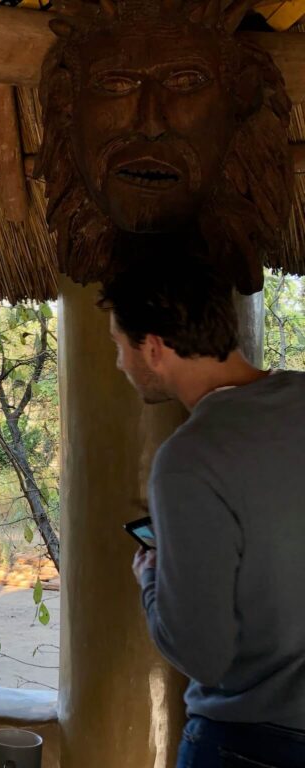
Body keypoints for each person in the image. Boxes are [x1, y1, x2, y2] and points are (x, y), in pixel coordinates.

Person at [99, 256, 305, 767]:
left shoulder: (188, 459)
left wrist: (151, 578)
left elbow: (202, 655)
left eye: (119, 346)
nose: (120, 363)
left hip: (250, 742)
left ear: (153, 348)